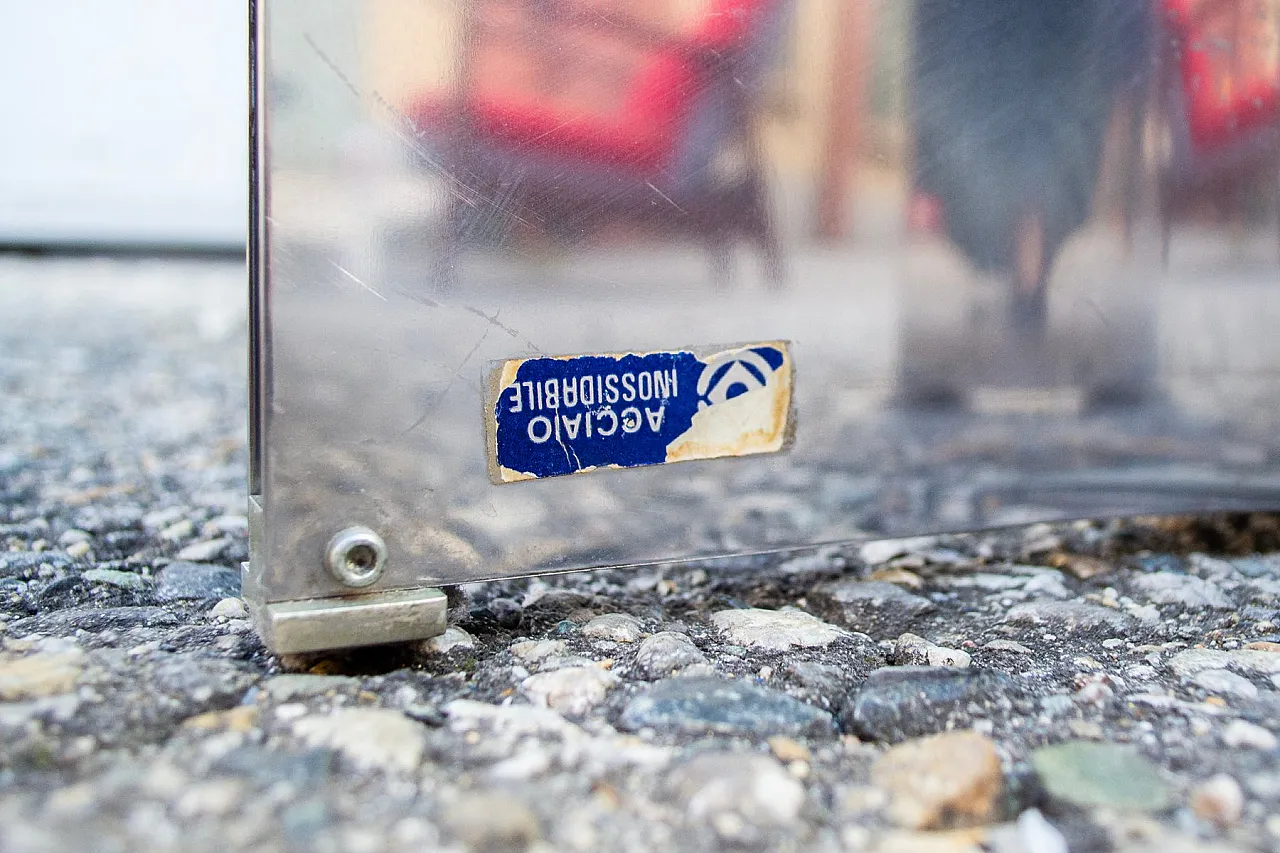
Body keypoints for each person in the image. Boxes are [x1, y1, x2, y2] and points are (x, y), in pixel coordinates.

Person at [910, 0, 1152, 333]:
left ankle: (1025, 273)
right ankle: (1026, 272)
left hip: (1032, 48)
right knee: (1034, 158)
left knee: (1031, 158)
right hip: (1036, 49)